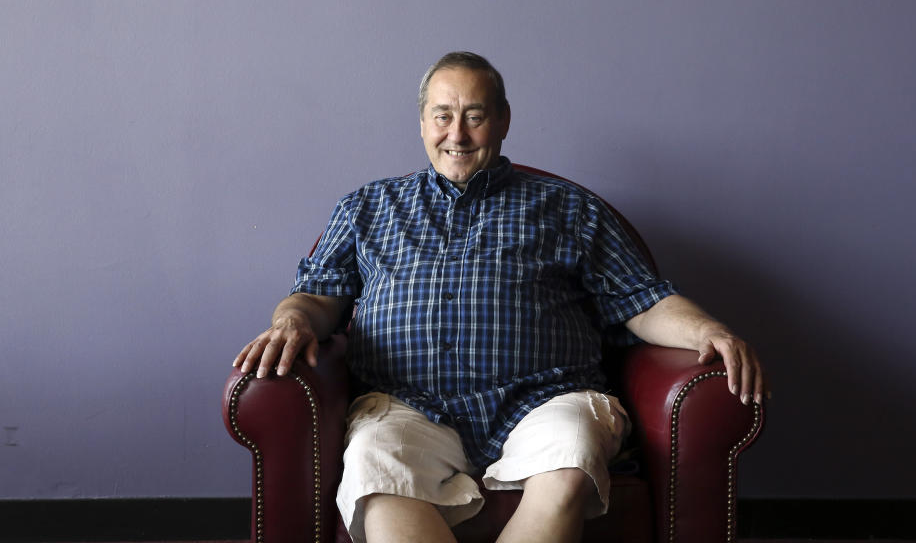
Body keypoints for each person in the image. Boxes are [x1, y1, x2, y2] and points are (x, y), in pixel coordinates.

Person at [234, 52, 767, 543]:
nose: (457, 134)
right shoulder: (366, 208)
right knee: (376, 466)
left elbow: (643, 300)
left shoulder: (569, 208)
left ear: (504, 120)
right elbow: (316, 295)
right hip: (404, 404)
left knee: (572, 455)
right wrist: (293, 322)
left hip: (546, 401)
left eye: (475, 115)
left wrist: (708, 331)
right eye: (442, 115)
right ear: (421, 122)